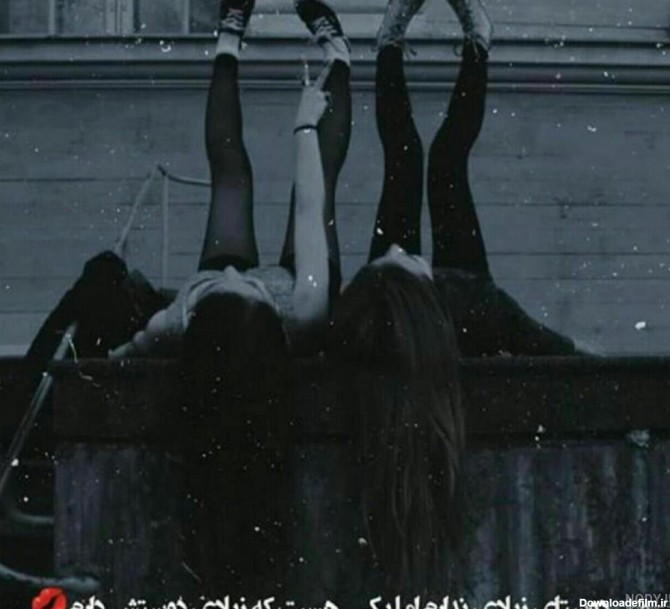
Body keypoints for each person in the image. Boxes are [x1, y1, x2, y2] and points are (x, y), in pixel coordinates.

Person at [329, 0, 578, 593]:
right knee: (440, 161)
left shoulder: (383, 311)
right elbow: (542, 341)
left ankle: (391, 46)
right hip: (442, 304)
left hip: (396, 303)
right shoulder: (472, 308)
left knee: (410, 159)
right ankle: (473, 44)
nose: (402, 249)